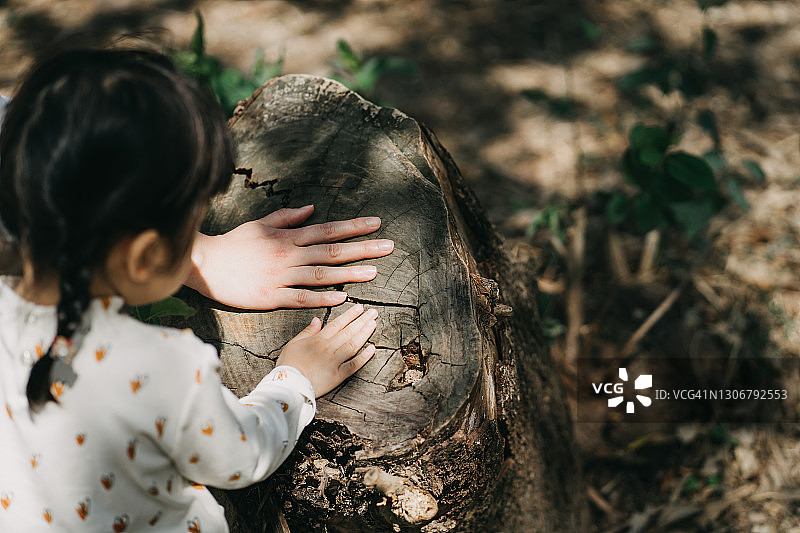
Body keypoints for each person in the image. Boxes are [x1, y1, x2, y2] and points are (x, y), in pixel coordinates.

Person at [0, 47, 392, 532]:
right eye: (193, 223)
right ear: (144, 257)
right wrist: (296, 380)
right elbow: (240, 455)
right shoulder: (162, 367)